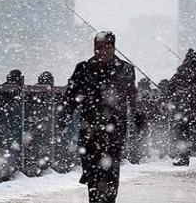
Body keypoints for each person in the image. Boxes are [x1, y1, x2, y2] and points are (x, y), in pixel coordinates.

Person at [56, 31, 144, 203]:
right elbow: (71, 96)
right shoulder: (83, 69)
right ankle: (96, 193)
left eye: (107, 47)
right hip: (90, 130)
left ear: (113, 48)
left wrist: (138, 116)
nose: (103, 51)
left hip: (114, 130)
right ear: (94, 48)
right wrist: (64, 115)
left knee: (110, 172)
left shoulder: (125, 69)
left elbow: (132, 96)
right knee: (93, 172)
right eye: (99, 47)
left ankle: (107, 197)